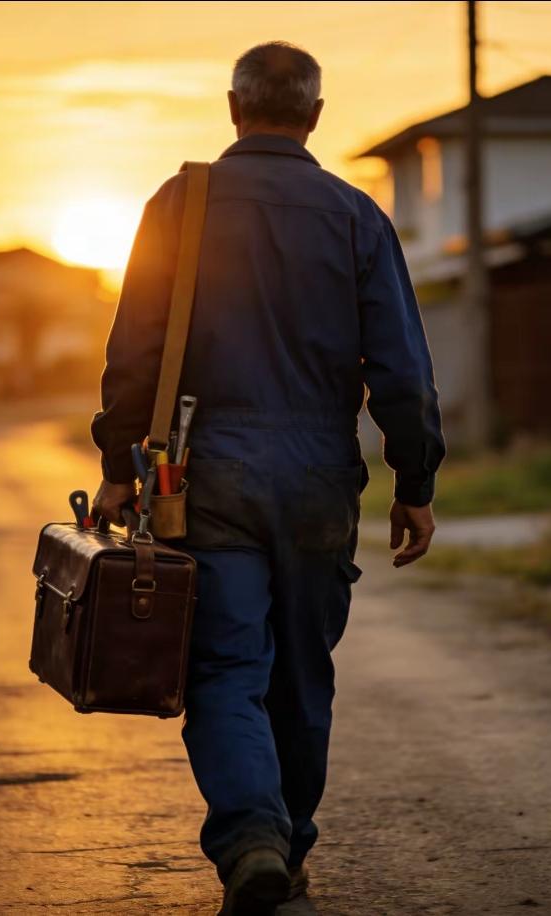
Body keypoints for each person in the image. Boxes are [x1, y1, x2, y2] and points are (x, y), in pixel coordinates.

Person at [91, 40, 446, 916]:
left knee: (223, 667)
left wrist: (115, 465)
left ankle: (254, 835)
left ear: (233, 107)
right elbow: (402, 366)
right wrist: (416, 480)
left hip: (203, 470)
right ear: (316, 117)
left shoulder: (180, 203)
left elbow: (134, 350)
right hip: (321, 471)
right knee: (301, 671)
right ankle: (286, 845)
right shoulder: (356, 214)